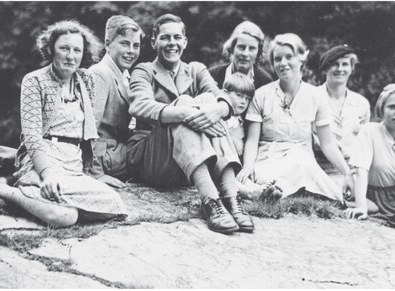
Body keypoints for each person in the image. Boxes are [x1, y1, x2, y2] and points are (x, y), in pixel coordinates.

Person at [0, 20, 127, 228]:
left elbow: (90, 130)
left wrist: (95, 172)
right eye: (64, 48)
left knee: (115, 205)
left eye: (77, 50)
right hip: (42, 160)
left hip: (73, 164)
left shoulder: (87, 80)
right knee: (66, 217)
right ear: (51, 49)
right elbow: (32, 137)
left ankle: (41, 203)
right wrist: (48, 174)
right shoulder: (34, 81)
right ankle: (7, 192)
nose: (70, 56)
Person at [128, 14, 254, 234]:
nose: (172, 43)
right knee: (188, 102)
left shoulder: (195, 69)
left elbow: (221, 96)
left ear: (185, 42)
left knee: (208, 101)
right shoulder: (144, 70)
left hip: (187, 167)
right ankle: (210, 201)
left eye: (177, 37)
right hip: (154, 160)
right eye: (165, 37)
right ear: (153, 42)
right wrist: (186, 112)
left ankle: (231, 199)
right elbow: (140, 106)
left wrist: (220, 109)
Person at [240, 33, 354, 202]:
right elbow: (252, 140)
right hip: (268, 159)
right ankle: (272, 190)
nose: (283, 63)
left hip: (301, 160)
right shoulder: (262, 95)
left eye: (289, 57)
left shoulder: (315, 96)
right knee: (272, 173)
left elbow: (327, 143)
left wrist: (347, 173)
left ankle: (271, 191)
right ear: (272, 64)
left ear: (301, 59)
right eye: (278, 59)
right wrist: (248, 167)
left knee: (300, 162)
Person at [88, 15, 144, 188]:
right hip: (104, 157)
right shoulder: (100, 73)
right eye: (125, 44)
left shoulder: (125, 75)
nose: (131, 51)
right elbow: (89, 127)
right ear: (107, 44)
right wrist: (95, 174)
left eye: (136, 46)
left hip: (118, 152)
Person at [313, 44, 370, 190]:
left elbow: (364, 146)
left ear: (352, 68)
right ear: (325, 69)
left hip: (353, 171)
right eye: (334, 65)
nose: (340, 69)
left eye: (345, 64)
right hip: (320, 168)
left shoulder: (361, 103)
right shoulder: (313, 97)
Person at [223, 72, 282, 201]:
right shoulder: (221, 117)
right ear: (225, 93)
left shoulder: (243, 121)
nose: (243, 102)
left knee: (243, 178)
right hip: (221, 164)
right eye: (239, 96)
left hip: (236, 165)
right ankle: (250, 193)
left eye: (247, 98)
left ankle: (260, 191)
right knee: (229, 178)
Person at [344, 84, 395, 222]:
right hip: (373, 197)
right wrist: (361, 207)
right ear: (382, 109)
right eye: (392, 107)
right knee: (372, 209)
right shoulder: (370, 131)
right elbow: (361, 171)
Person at [209, 20, 273, 90]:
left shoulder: (265, 82)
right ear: (232, 48)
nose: (245, 54)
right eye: (241, 47)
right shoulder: (212, 76)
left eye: (251, 48)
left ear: (258, 53)